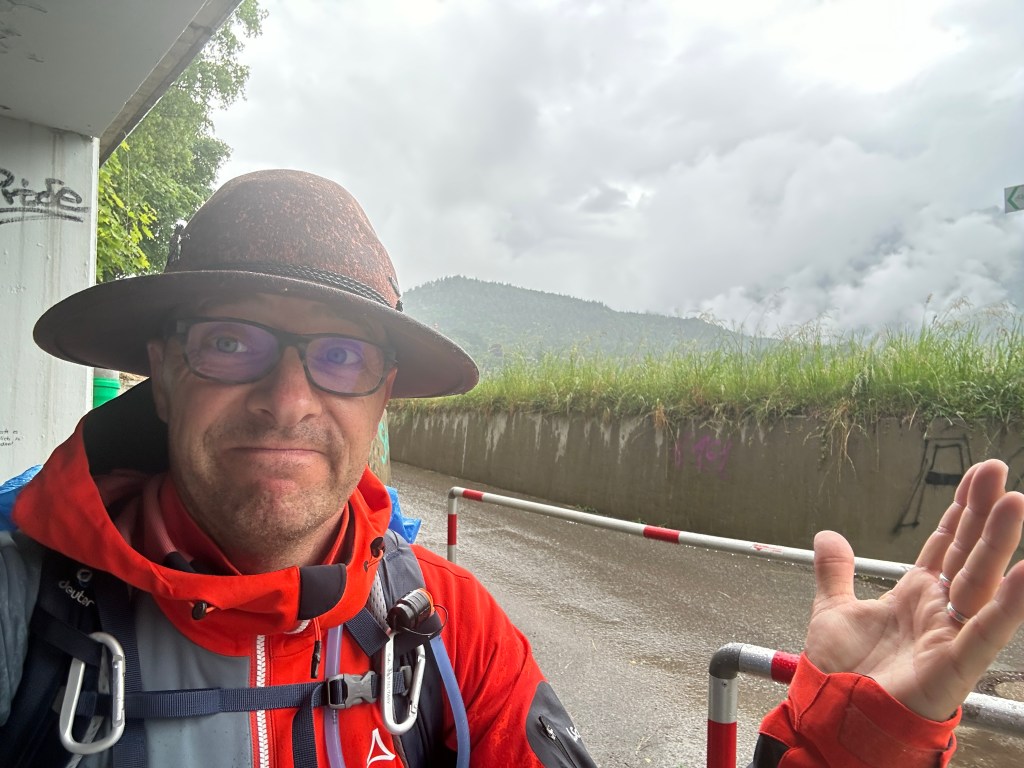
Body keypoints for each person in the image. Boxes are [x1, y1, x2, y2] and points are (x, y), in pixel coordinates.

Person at [1, 169, 1022, 768]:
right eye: (233, 342)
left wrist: (852, 745)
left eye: (341, 356)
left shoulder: (448, 632)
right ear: (165, 372)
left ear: (384, 397)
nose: (289, 398)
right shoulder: (16, 617)